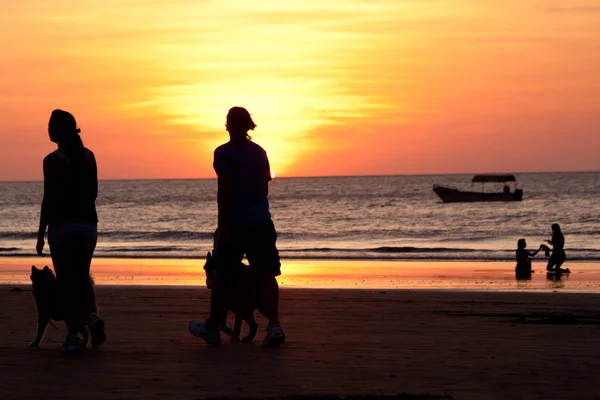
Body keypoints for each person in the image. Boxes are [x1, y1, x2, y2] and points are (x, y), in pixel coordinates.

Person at [189, 106, 285, 347]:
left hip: (236, 224)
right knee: (266, 275)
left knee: (222, 276)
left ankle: (213, 327)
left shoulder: (223, 153)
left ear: (229, 125)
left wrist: (223, 225)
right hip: (261, 222)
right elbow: (264, 189)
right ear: (248, 125)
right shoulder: (260, 152)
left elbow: (225, 191)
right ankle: (273, 326)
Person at [36, 109, 106, 351]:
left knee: (66, 284)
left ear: (58, 131)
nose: (47, 129)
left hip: (63, 227)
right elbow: (94, 193)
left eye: (50, 125)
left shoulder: (52, 160)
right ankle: (92, 318)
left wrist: (40, 234)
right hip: (88, 226)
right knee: (81, 277)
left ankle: (76, 333)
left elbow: (49, 199)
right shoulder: (89, 156)